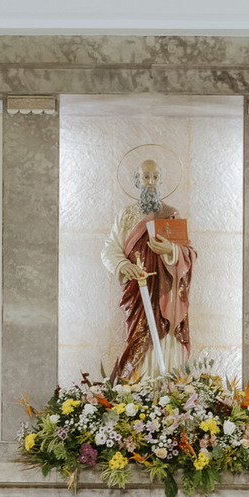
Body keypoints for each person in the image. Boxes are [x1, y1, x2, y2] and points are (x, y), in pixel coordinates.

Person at [102, 157, 197, 381]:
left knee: (166, 341)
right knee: (138, 337)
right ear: (138, 181)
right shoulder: (126, 215)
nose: (151, 181)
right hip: (138, 292)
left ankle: (166, 393)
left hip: (166, 294)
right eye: (146, 177)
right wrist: (124, 265)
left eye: (155, 177)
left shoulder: (171, 214)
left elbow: (189, 253)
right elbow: (109, 249)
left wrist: (170, 250)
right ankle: (140, 390)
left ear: (161, 180)